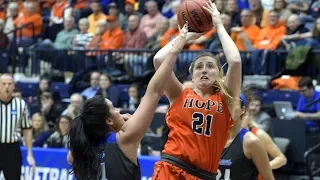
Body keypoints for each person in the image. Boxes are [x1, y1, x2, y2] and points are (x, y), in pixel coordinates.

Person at [67, 23, 190, 180]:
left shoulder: (80, 150)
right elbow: (155, 91)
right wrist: (176, 49)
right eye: (113, 108)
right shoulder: (124, 139)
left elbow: (71, 157)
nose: (119, 110)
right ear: (108, 120)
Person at [152, 1, 242, 179]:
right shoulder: (179, 94)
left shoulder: (226, 99)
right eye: (199, 67)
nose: (204, 70)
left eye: (210, 66)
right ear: (192, 77)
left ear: (219, 74)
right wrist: (184, 38)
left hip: (203, 175)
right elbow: (158, 60)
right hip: (172, 168)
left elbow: (235, 61)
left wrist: (219, 25)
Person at [218, 93, 275, 180]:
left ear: (243, 110)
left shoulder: (251, 141)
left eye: (233, 104)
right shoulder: (208, 138)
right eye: (224, 104)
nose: (228, 108)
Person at [0, 74, 35, 180]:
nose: (7, 86)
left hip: (12, 149)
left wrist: (30, 153)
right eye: (3, 84)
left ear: (13, 86)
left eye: (9, 84)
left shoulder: (21, 104)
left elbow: (27, 129)